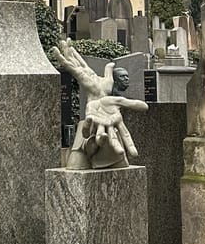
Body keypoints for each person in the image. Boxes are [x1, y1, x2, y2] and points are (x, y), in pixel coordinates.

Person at [52, 39, 148, 169]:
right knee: (76, 164)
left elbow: (140, 106)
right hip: (92, 124)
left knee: (112, 154)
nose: (126, 79)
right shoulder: (99, 100)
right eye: (122, 77)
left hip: (109, 128)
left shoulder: (112, 100)